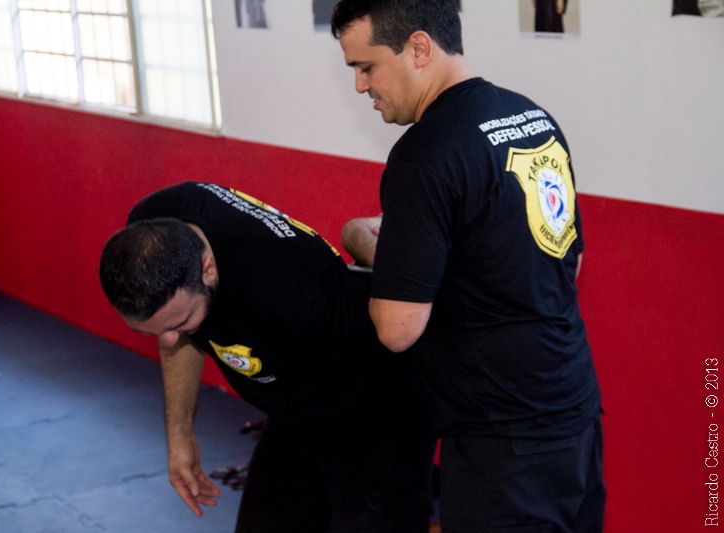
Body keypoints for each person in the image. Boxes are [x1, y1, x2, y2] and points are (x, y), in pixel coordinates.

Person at [331, 1, 604, 532]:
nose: (361, 85)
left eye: (366, 66)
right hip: (574, 412)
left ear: (418, 47)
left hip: (501, 438)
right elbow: (566, 262)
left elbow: (397, 328)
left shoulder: (424, 153)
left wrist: (365, 241)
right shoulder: (532, 118)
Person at [99, 181, 435, 533]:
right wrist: (180, 433)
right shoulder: (151, 235)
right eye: (152, 331)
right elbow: (175, 332)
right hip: (294, 417)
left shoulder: (292, 288)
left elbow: (409, 318)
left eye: (182, 323)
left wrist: (358, 235)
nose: (169, 340)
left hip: (377, 416)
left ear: (207, 268)